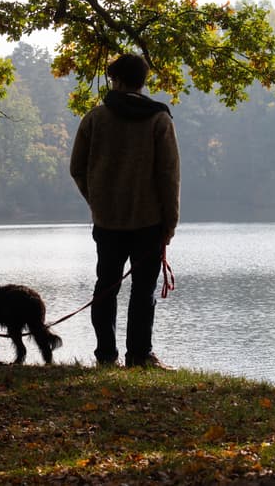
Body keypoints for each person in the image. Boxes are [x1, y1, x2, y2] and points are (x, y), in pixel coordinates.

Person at [69, 53, 180, 368]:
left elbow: (77, 167)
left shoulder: (94, 118)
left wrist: (97, 201)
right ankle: (139, 355)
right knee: (143, 292)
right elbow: (169, 177)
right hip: (150, 223)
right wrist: (169, 224)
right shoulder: (159, 119)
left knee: (105, 288)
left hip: (107, 222)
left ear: (115, 80)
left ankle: (105, 355)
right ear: (142, 82)